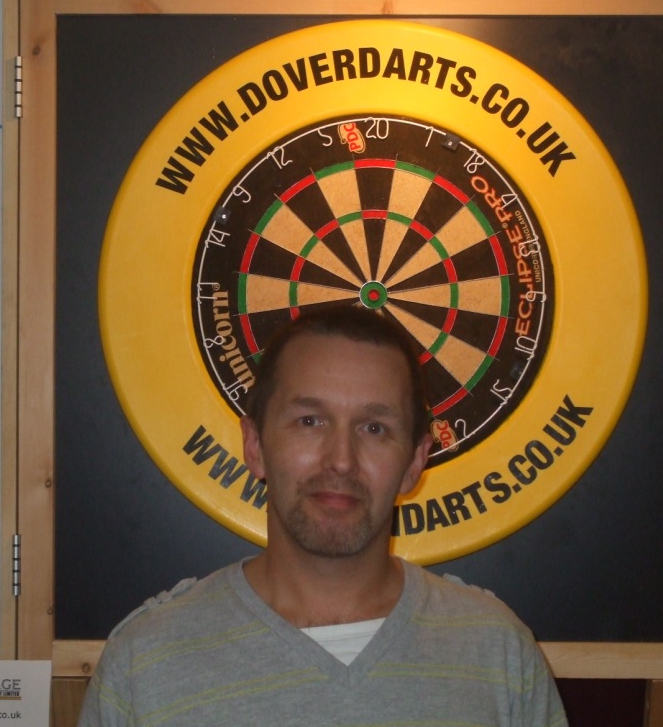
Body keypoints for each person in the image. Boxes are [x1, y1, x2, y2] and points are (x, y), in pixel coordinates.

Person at [77, 305, 567, 727]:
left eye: (374, 428)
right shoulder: (145, 664)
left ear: (415, 462)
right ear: (255, 445)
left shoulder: (499, 655)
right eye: (309, 421)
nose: (341, 460)